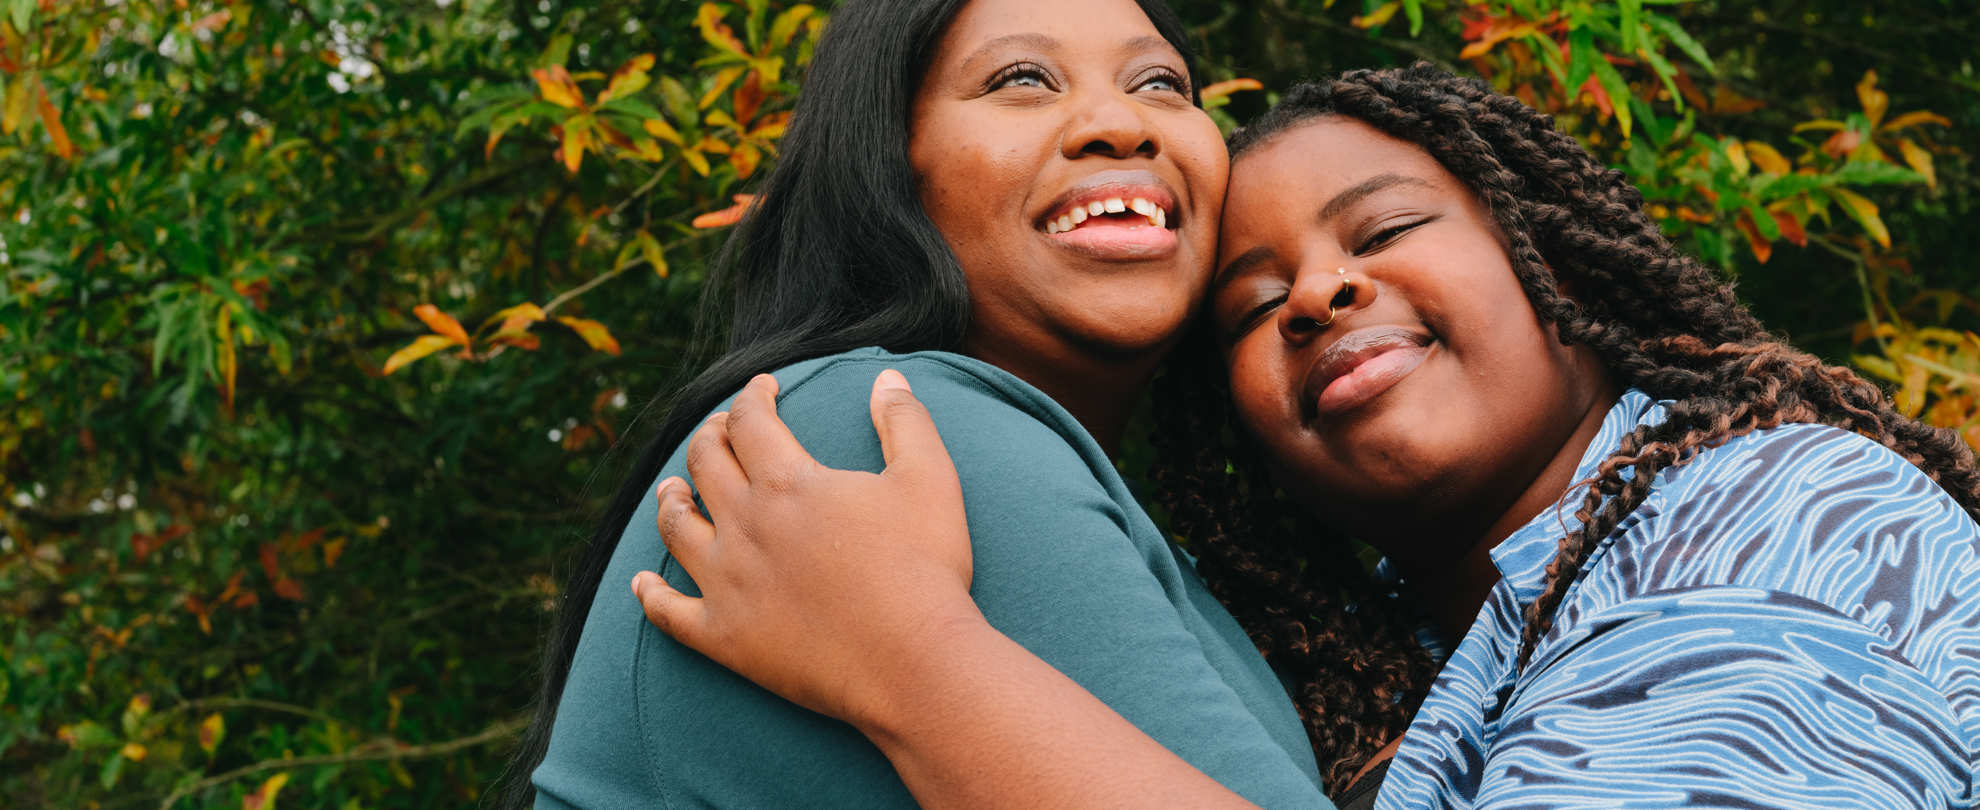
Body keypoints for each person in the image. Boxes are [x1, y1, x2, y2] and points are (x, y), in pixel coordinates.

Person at [631, 64, 1980, 808]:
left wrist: (915, 666)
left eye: (1383, 232)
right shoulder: (1398, 657)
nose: (1321, 295)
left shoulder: (1786, 511)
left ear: (1559, 267)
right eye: (1252, 306)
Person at [498, 0, 1416, 807]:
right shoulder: (888, 423)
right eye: (1022, 79)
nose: (1119, 123)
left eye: (1160, 83)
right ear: (889, 164)